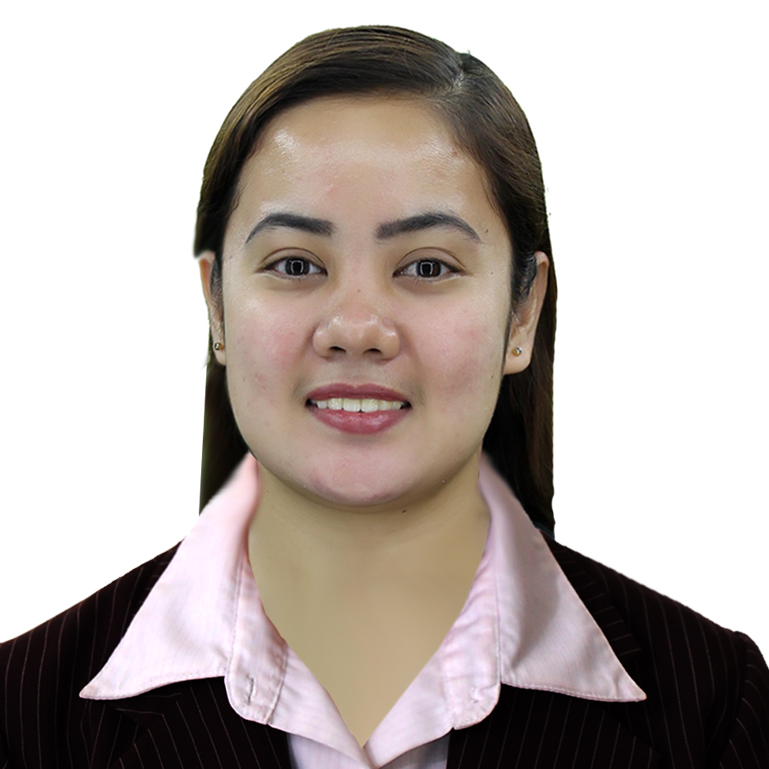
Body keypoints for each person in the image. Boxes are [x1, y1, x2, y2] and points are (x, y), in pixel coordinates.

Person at [1, 25, 767, 769]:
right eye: (295, 264)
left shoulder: (711, 708)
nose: (356, 328)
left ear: (521, 315)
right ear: (217, 308)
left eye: (426, 267)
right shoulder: (21, 716)